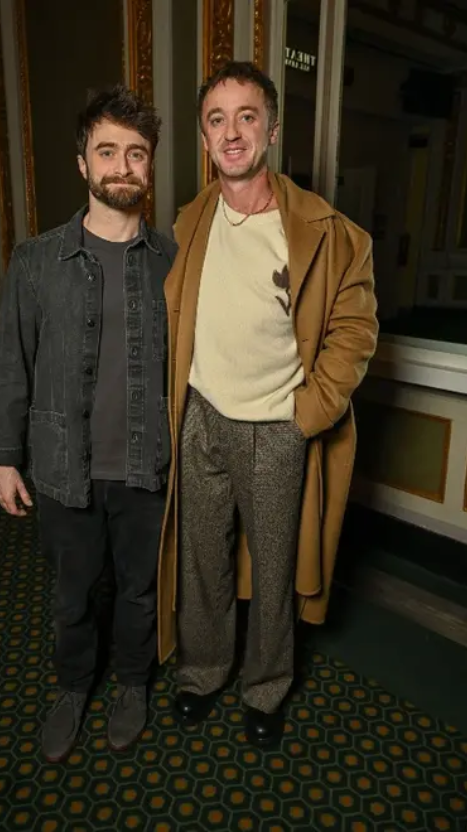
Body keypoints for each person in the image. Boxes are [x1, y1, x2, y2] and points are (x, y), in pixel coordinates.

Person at [156, 61, 378, 748]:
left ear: (272, 129)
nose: (231, 132)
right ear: (204, 137)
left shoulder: (326, 230)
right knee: (202, 560)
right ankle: (202, 672)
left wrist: (306, 414)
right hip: (201, 415)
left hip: (278, 426)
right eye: (217, 120)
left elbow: (355, 330)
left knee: (276, 566)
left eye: (246, 116)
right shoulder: (189, 221)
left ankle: (266, 687)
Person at [0, 85, 176, 761]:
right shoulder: (37, 260)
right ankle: (72, 687)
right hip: (63, 467)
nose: (122, 165)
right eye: (107, 151)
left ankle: (133, 684)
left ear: (150, 165)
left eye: (136, 153)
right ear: (83, 163)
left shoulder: (174, 262)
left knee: (140, 592)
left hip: (148, 463)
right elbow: (10, 362)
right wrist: (4, 458)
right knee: (73, 595)